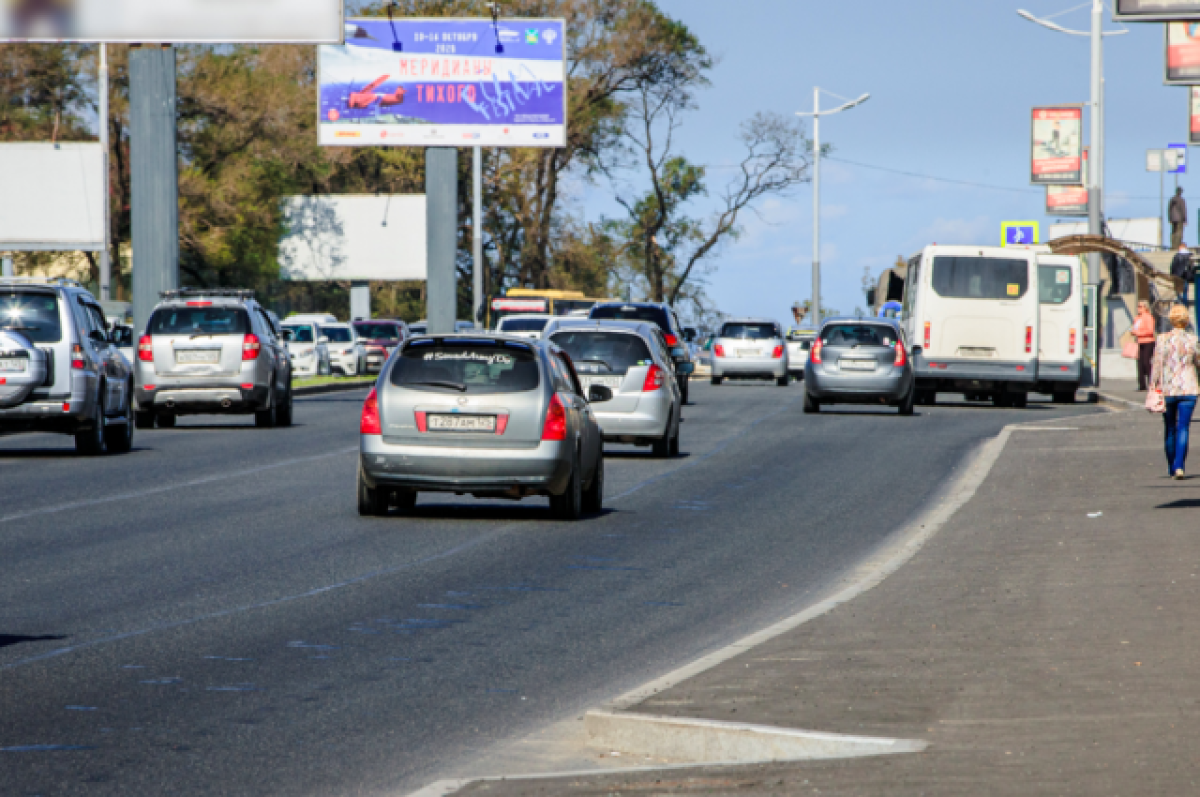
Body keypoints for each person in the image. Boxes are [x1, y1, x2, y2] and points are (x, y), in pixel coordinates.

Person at [1150, 304, 1200, 479]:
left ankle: (1172, 466)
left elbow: (1157, 365)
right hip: (1189, 389)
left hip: (1168, 390)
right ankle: (1179, 465)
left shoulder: (1162, 339)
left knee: (1170, 427)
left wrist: (1153, 385)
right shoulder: (1193, 340)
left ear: (1171, 320)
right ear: (1186, 320)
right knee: (1183, 428)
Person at [1133, 301, 1157, 391]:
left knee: (1146, 363)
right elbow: (1135, 328)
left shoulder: (1149, 317)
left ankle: (1152, 383)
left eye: (1140, 306)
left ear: (1145, 308)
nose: (1138, 308)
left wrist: (1138, 333)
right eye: (1138, 306)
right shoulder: (1137, 318)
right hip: (1139, 342)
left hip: (1148, 342)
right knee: (1139, 363)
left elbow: (1150, 331)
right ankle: (1142, 385)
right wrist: (1133, 332)